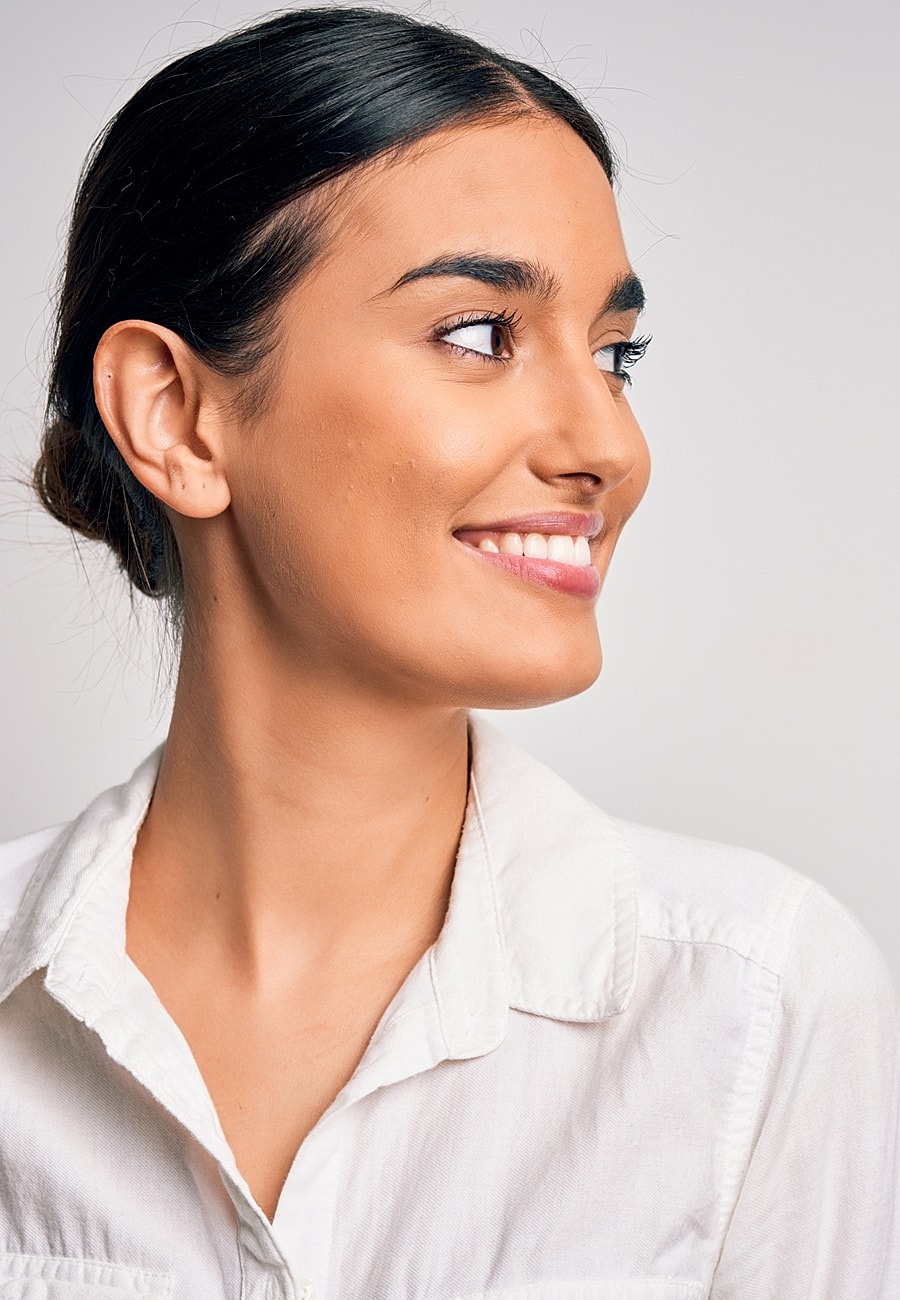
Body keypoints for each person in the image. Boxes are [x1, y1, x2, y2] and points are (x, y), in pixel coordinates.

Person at [0, 7, 896, 1298]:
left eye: (615, 354)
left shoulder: (757, 1011)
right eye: (480, 334)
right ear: (176, 416)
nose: (611, 447)